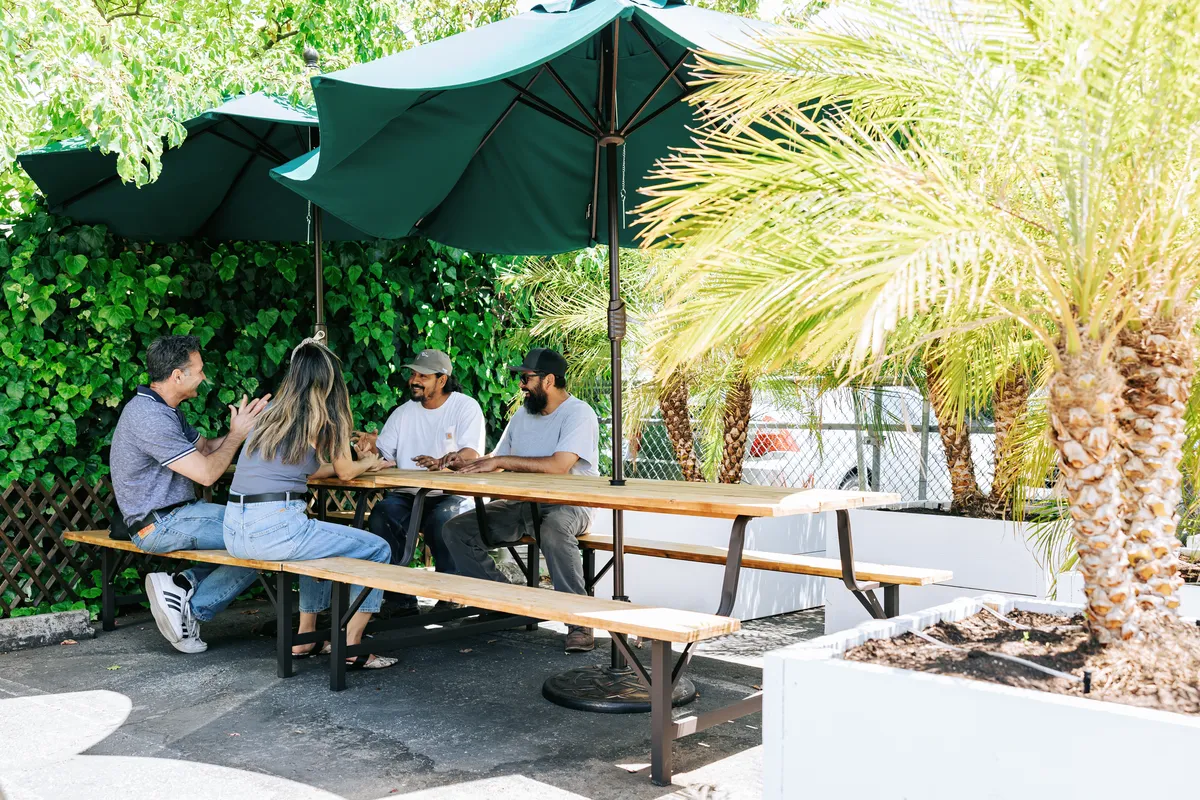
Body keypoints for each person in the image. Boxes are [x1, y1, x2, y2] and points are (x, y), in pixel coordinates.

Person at [223, 335, 398, 670]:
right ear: (330, 377)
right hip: (276, 528)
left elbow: (314, 469)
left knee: (316, 548)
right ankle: (351, 645)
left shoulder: (272, 412)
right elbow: (346, 473)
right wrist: (368, 463)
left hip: (236, 531)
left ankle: (306, 637)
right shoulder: (329, 415)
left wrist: (355, 464)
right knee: (378, 549)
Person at [109, 334, 269, 654]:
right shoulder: (150, 417)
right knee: (265, 535)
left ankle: (181, 585)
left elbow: (207, 449)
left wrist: (249, 430)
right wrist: (237, 435)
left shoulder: (166, 410)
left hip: (177, 515)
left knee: (260, 534)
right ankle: (193, 610)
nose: (204, 376)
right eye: (199, 370)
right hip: (160, 523)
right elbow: (208, 473)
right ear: (177, 376)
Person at [442, 348, 600, 653]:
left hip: (570, 503)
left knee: (553, 530)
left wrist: (500, 460)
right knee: (456, 530)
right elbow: (498, 459)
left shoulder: (579, 413)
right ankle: (504, 606)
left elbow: (558, 465)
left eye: (526, 378)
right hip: (522, 503)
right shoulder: (522, 414)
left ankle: (579, 621)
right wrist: (466, 463)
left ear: (549, 380)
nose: (521, 385)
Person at [356, 349, 485, 614]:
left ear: (442, 379)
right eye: (413, 374)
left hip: (451, 493)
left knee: (444, 521)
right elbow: (383, 452)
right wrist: (368, 448)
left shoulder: (465, 406)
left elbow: (471, 454)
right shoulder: (403, 413)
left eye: (423, 376)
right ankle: (399, 599)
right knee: (382, 514)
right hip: (407, 495)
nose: (415, 380)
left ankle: (450, 594)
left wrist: (445, 461)